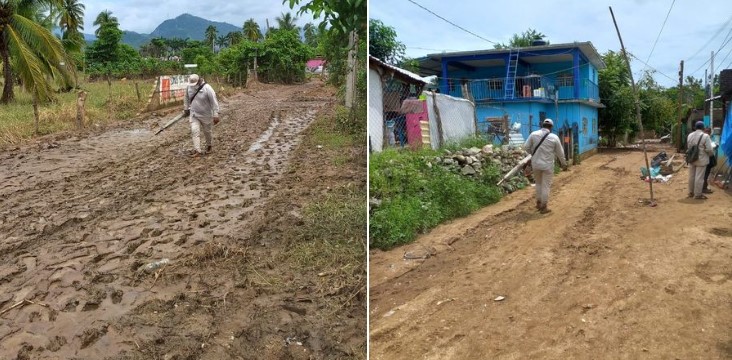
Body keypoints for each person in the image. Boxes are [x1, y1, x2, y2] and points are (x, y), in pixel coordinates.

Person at [523, 119, 568, 214]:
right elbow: (560, 153)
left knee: (538, 184)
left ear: (542, 125)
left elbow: (526, 147)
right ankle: (544, 207)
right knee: (546, 186)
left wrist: (533, 154)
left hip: (536, 165)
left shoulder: (533, 134)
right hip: (547, 166)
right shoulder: (554, 137)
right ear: (551, 127)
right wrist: (564, 164)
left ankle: (538, 203)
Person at [183, 74, 220, 157]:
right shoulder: (188, 87)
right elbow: (186, 97)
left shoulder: (207, 88)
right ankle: (197, 150)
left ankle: (209, 145)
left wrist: (216, 114)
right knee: (194, 131)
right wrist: (186, 108)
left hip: (206, 114)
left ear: (199, 80)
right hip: (194, 113)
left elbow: (214, 101)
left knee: (207, 132)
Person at [686, 121, 715, 199]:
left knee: (691, 176)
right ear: (703, 128)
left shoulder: (690, 135)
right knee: (699, 177)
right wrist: (711, 155)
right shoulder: (705, 136)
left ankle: (690, 192)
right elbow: (709, 149)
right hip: (701, 160)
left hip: (691, 158)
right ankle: (698, 194)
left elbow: (689, 147)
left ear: (695, 127)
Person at [702, 127, 718, 194]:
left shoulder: (704, 137)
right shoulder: (705, 138)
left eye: (708, 131)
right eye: (707, 131)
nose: (708, 132)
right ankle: (704, 188)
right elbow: (709, 150)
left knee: (704, 174)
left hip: (703, 159)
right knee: (705, 174)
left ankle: (703, 187)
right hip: (706, 159)